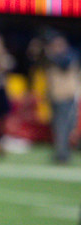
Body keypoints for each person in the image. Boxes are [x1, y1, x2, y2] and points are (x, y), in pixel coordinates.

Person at [44, 31, 79, 164]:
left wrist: (50, 53)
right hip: (56, 97)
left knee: (66, 126)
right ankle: (62, 154)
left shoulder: (69, 56)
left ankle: (63, 153)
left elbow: (64, 64)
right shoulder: (52, 59)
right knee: (59, 126)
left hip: (67, 97)